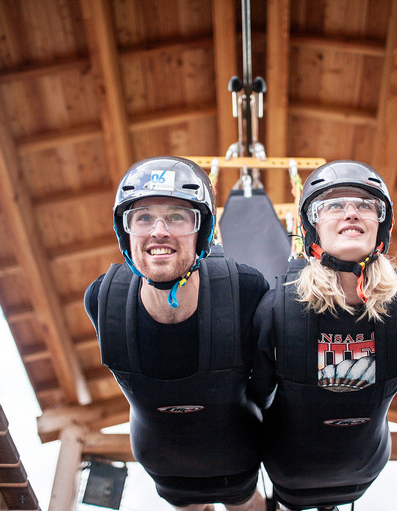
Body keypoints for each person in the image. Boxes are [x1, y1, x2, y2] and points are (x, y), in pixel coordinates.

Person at [84, 156, 269, 511]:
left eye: (177, 217)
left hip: (237, 456)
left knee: (245, 504)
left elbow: (268, 380)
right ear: (127, 232)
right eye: (143, 218)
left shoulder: (245, 290)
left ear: (202, 232)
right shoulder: (104, 299)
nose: (159, 231)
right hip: (163, 465)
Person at [252, 160, 397, 511]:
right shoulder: (275, 311)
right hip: (290, 468)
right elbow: (257, 393)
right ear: (312, 228)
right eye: (333, 205)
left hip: (363, 468)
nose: (351, 213)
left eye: (365, 205)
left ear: (380, 225)